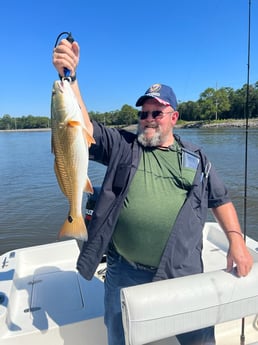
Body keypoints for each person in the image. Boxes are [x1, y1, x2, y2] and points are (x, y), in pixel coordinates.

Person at [53, 39, 253, 345]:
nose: (147, 119)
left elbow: (220, 199)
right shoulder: (124, 147)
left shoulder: (197, 158)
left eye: (156, 113)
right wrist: (71, 78)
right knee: (120, 337)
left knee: (198, 338)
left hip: (183, 271)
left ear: (174, 117)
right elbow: (85, 127)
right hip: (124, 271)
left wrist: (236, 241)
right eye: (143, 113)